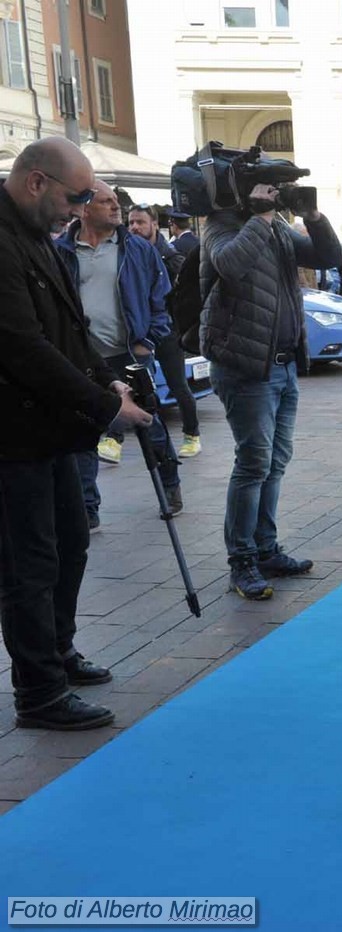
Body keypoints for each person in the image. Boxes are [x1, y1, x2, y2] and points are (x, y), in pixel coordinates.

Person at [0, 137, 152, 730]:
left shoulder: (39, 235)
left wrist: (107, 383)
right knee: (29, 566)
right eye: (76, 196)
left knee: (70, 543)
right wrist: (103, 405)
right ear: (38, 182)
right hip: (14, 438)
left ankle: (58, 654)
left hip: (54, 429)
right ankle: (38, 694)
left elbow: (69, 327)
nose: (80, 207)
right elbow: (20, 345)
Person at [201, 179, 342, 599]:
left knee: (274, 462)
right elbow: (229, 265)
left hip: (281, 365)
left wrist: (312, 216)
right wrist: (261, 217)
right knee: (253, 462)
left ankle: (265, 548)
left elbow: (328, 257)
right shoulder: (222, 225)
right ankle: (241, 560)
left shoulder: (277, 227)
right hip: (245, 366)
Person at [55, 181, 182, 531]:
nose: (116, 207)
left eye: (116, 201)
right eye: (106, 201)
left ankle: (170, 485)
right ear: (84, 208)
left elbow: (161, 298)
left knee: (149, 424)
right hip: (83, 358)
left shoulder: (137, 248)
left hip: (129, 354)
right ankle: (87, 506)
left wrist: (149, 339)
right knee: (83, 430)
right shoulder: (62, 250)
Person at [129, 205, 202, 460]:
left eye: (140, 222)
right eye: (131, 223)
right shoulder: (127, 254)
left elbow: (184, 295)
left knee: (178, 386)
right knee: (138, 389)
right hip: (140, 333)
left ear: (153, 224)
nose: (135, 227)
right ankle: (139, 441)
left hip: (169, 331)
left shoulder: (171, 257)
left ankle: (192, 435)